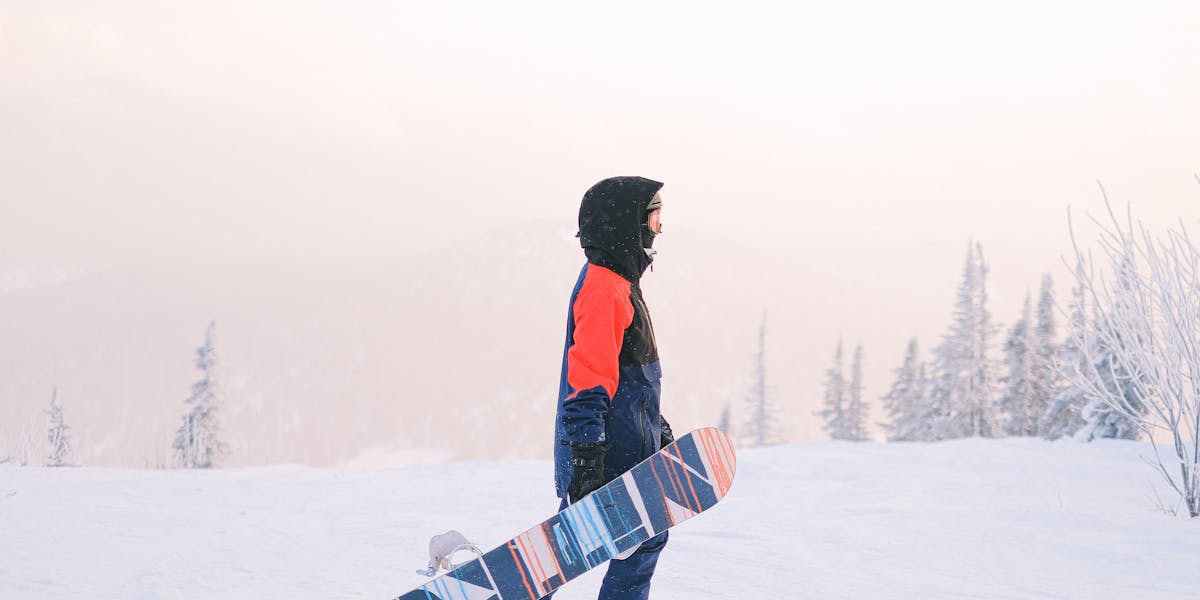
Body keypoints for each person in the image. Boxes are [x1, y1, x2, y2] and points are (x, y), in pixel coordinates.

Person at [552, 175, 675, 600]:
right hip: (606, 451)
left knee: (612, 546)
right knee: (631, 543)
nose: (659, 230)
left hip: (622, 443)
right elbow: (588, 379)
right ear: (628, 226)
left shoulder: (618, 283)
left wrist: (653, 425)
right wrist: (586, 458)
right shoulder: (604, 290)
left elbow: (631, 378)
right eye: (655, 219)